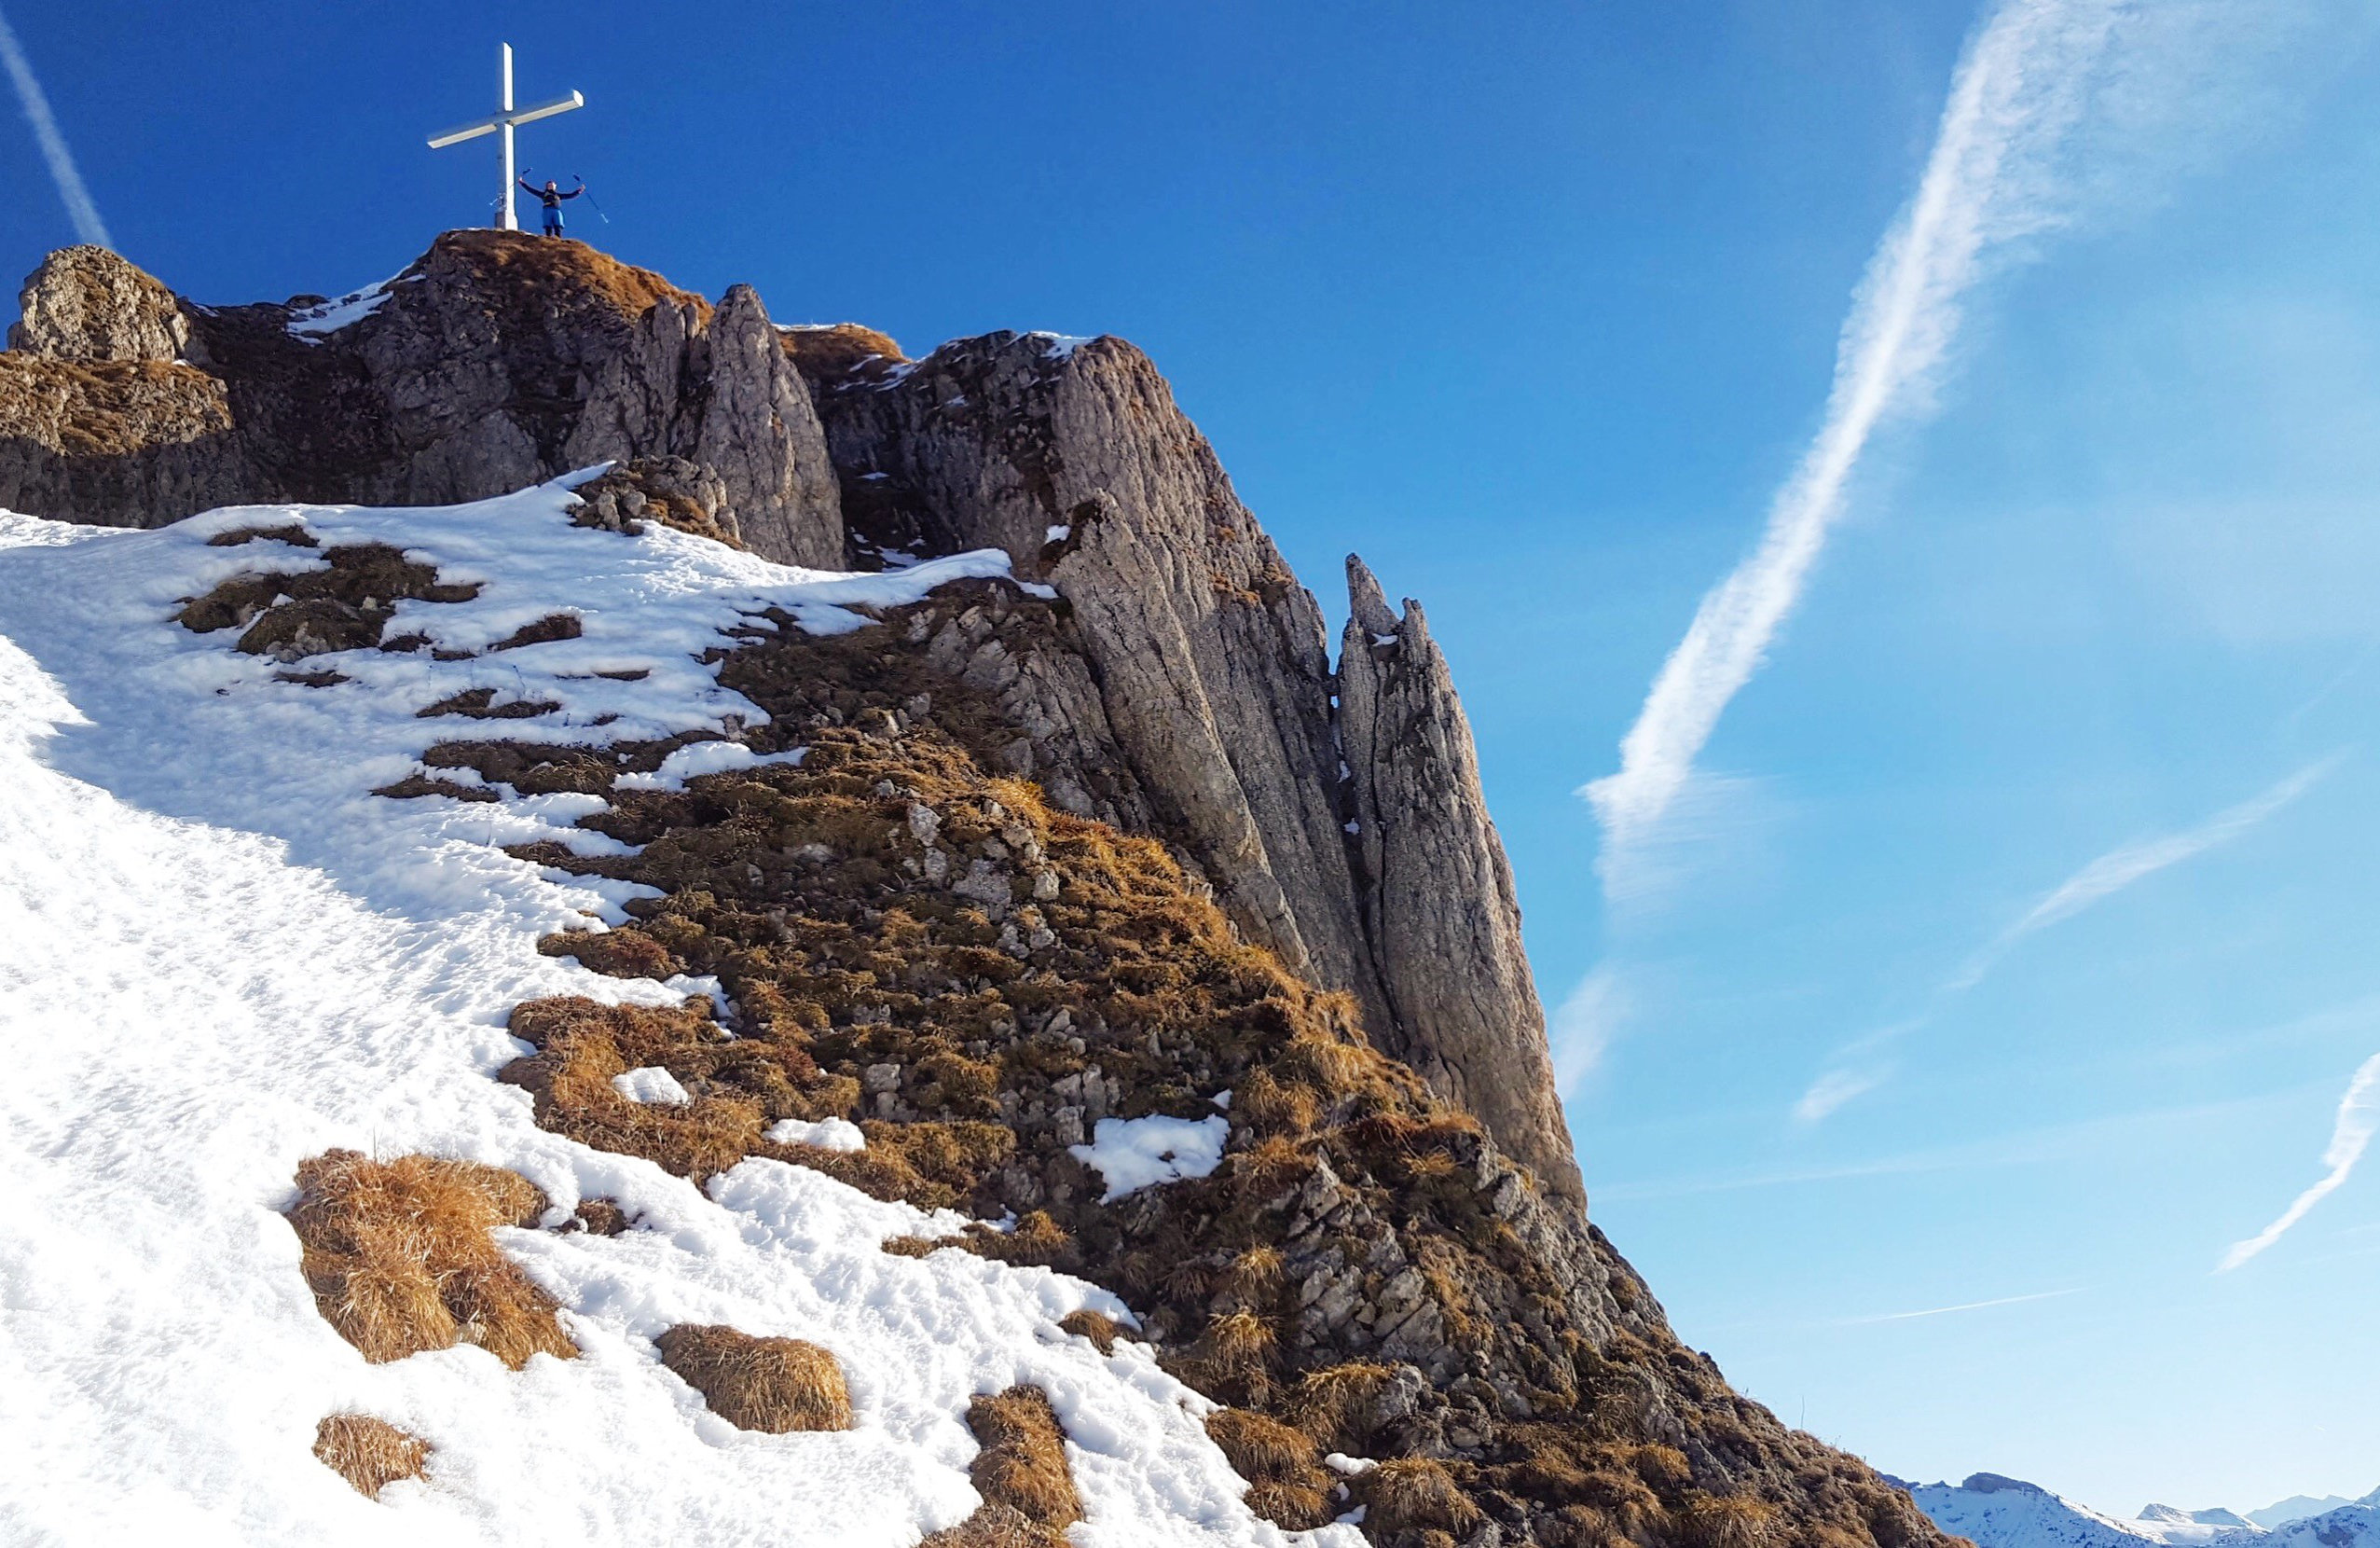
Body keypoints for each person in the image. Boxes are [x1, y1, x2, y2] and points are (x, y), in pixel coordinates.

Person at [518, 176, 583, 237]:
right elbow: (531, 190)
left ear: (555, 186)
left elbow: (570, 195)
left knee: (558, 223)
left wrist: (579, 191)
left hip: (556, 210)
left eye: (552, 185)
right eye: (549, 185)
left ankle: (558, 238)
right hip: (547, 209)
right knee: (547, 224)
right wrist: (522, 183)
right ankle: (548, 237)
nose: (551, 186)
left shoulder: (558, 196)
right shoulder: (544, 194)